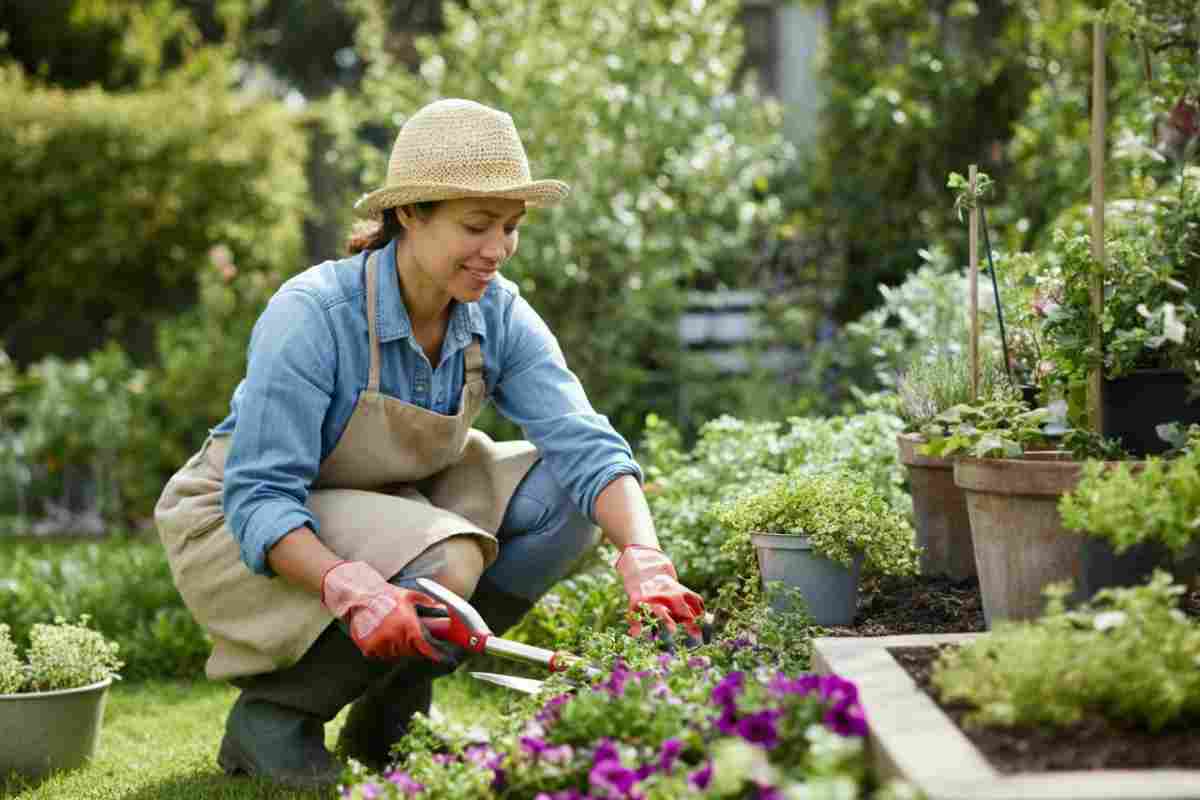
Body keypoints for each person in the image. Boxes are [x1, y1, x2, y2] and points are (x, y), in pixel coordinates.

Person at [154, 98, 706, 789]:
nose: (498, 249)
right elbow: (260, 495)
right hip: (241, 521)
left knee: (570, 501)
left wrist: (645, 554)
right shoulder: (313, 316)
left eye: (511, 227)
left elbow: (586, 443)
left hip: (393, 505)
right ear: (409, 215)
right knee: (448, 560)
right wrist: (350, 588)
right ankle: (275, 717)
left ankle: (390, 713)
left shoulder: (493, 312)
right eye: (476, 225)